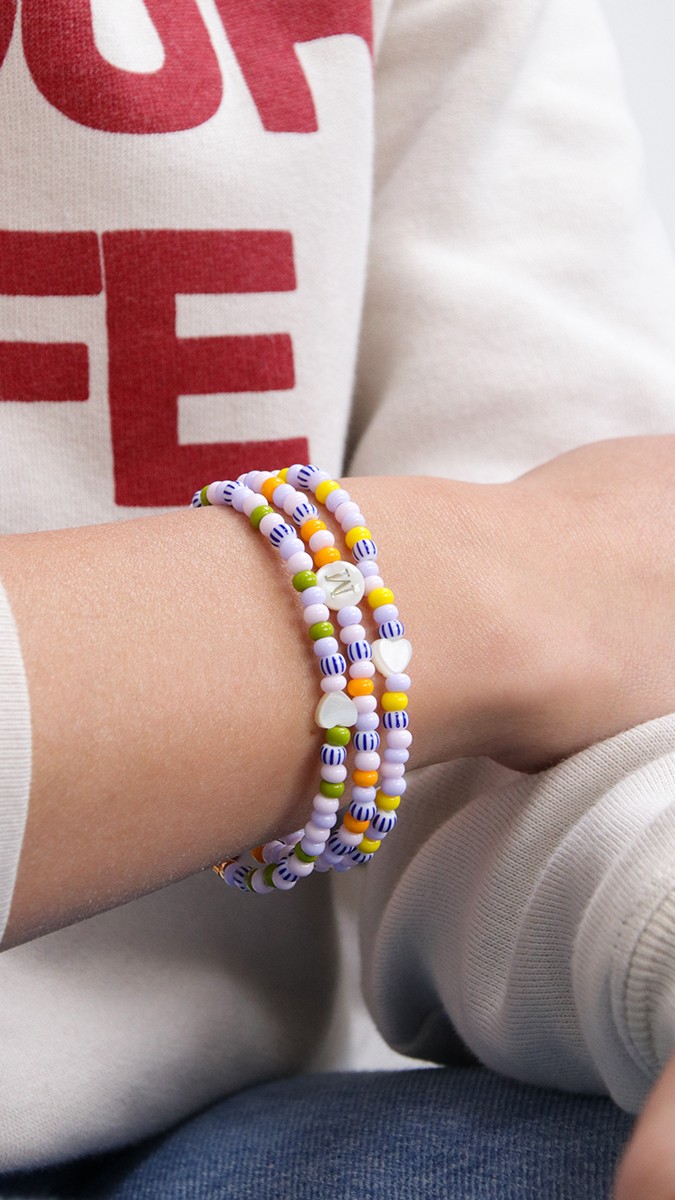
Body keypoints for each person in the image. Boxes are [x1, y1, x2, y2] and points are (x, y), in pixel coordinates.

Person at [0, 0, 673, 1197]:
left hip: (193, 1130)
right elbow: (574, 583)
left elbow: (604, 670)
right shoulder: (514, 568)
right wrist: (485, 579)